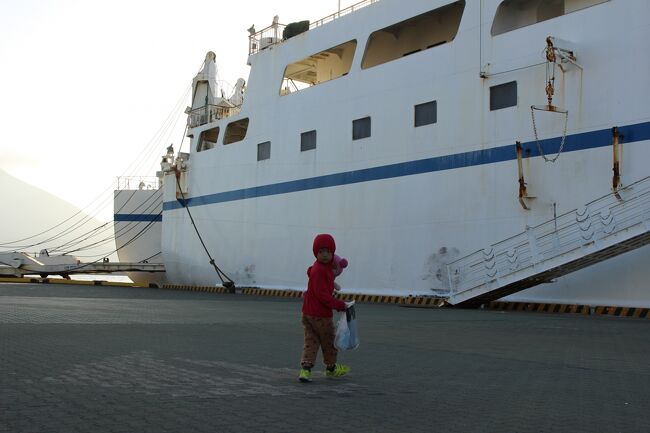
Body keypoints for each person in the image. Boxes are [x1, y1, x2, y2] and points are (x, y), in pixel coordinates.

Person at [299, 233, 351, 382]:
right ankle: (331, 368)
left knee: (311, 341)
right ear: (316, 253)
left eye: (328, 252)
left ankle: (305, 370)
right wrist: (341, 305)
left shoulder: (317, 268)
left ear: (333, 253)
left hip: (307, 313)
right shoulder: (321, 271)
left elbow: (313, 275)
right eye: (321, 252)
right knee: (328, 341)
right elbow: (323, 296)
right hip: (320, 315)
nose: (325, 255)